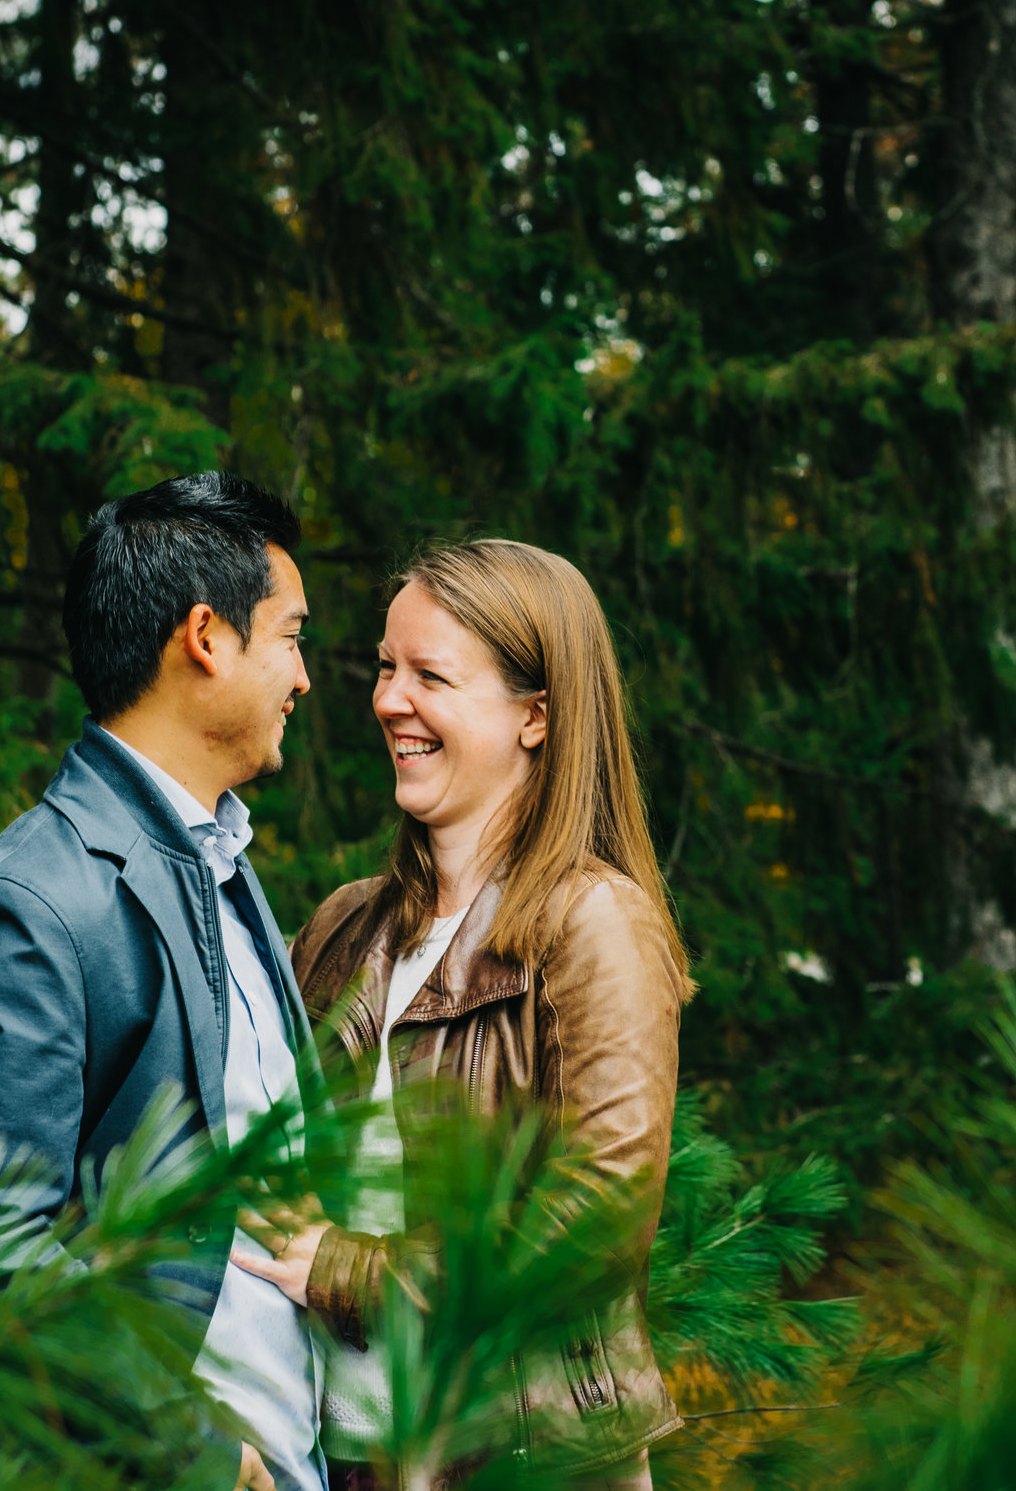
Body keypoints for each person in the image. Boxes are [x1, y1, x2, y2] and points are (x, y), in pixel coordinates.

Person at [234, 538, 692, 1491]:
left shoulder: (594, 923)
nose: (388, 699)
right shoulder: (344, 927)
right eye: (386, 667)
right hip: (344, 1457)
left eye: (431, 675)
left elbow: (594, 1226)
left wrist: (361, 1273)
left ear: (536, 716)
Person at [0, 472, 322, 1491]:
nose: (304, 677)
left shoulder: (223, 864)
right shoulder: (34, 900)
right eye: (291, 636)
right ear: (206, 637)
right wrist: (190, 1451)